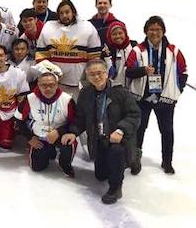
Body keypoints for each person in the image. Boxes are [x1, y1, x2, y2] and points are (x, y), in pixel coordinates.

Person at [62, 59, 140, 204]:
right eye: (92, 74)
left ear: (106, 73)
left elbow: (134, 115)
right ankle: (128, 159)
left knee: (116, 154)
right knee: (100, 175)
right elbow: (80, 118)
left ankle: (116, 188)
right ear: (87, 76)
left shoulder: (121, 92)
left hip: (117, 139)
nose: (96, 77)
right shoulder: (85, 93)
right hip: (99, 139)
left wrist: (120, 130)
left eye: (99, 73)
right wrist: (73, 132)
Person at [126, 16, 188, 175]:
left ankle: (167, 161)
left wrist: (176, 91)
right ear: (146, 32)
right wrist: (143, 71)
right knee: (139, 130)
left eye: (158, 29)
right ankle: (135, 160)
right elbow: (129, 72)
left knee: (167, 131)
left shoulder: (173, 51)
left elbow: (184, 72)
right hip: (142, 99)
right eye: (151, 29)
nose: (154, 32)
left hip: (165, 99)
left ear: (163, 31)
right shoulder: (137, 51)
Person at [15, 66, 76, 177]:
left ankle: (65, 163)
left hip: (60, 136)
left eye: (51, 85)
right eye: (44, 85)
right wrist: (30, 138)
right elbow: (18, 120)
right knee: (36, 168)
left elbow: (75, 123)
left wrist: (59, 131)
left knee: (68, 143)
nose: (48, 89)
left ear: (57, 85)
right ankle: (49, 152)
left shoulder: (67, 100)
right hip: (39, 137)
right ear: (38, 85)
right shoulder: (29, 99)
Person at [35, 0, 101, 100]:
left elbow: (95, 58)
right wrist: (52, 70)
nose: (64, 16)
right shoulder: (48, 28)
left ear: (73, 12)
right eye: (61, 13)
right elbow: (40, 55)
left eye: (67, 12)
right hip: (56, 84)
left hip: (80, 85)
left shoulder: (87, 27)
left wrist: (88, 79)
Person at [105, 21, 137, 87]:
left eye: (120, 33)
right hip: (115, 89)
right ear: (109, 36)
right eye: (114, 34)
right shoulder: (107, 51)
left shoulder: (134, 47)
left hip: (133, 88)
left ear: (125, 33)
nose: (117, 36)